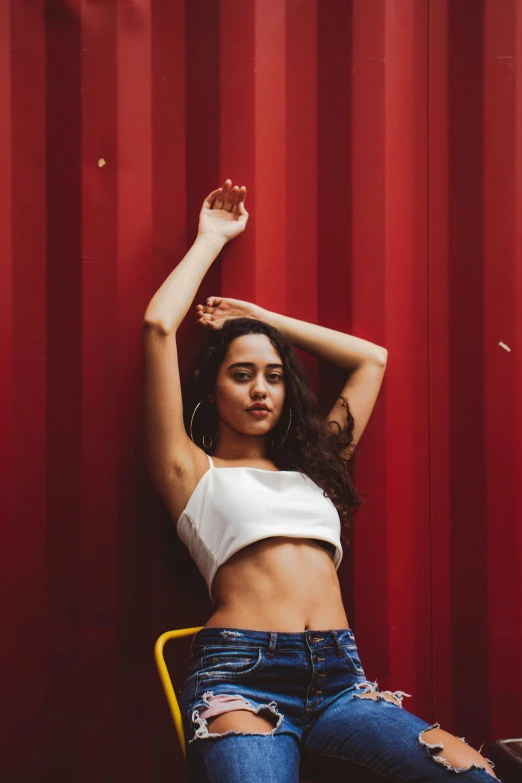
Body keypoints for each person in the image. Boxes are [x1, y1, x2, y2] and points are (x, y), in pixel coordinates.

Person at [142, 180, 500, 782]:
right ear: (211, 390)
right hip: (241, 680)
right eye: (242, 374)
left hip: (341, 678)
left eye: (275, 375)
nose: (260, 388)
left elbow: (371, 360)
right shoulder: (191, 471)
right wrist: (212, 239)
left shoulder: (315, 471)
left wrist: (260, 320)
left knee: (475, 776)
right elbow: (157, 326)